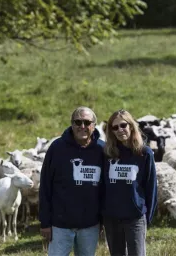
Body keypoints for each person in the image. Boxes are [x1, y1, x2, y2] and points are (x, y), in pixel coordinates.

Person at [39, 106, 104, 256]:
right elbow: (46, 186)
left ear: (94, 125)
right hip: (60, 225)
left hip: (90, 224)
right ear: (72, 124)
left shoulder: (102, 150)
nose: (82, 126)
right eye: (78, 122)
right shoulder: (57, 148)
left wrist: (103, 220)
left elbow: (105, 189)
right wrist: (45, 222)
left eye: (87, 123)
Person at [102, 109, 157, 256]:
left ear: (131, 126)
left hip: (135, 216)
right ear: (111, 131)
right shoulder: (107, 154)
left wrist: (146, 215)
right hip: (112, 217)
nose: (120, 130)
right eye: (115, 127)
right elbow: (102, 186)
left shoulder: (144, 153)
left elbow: (151, 186)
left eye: (123, 125)